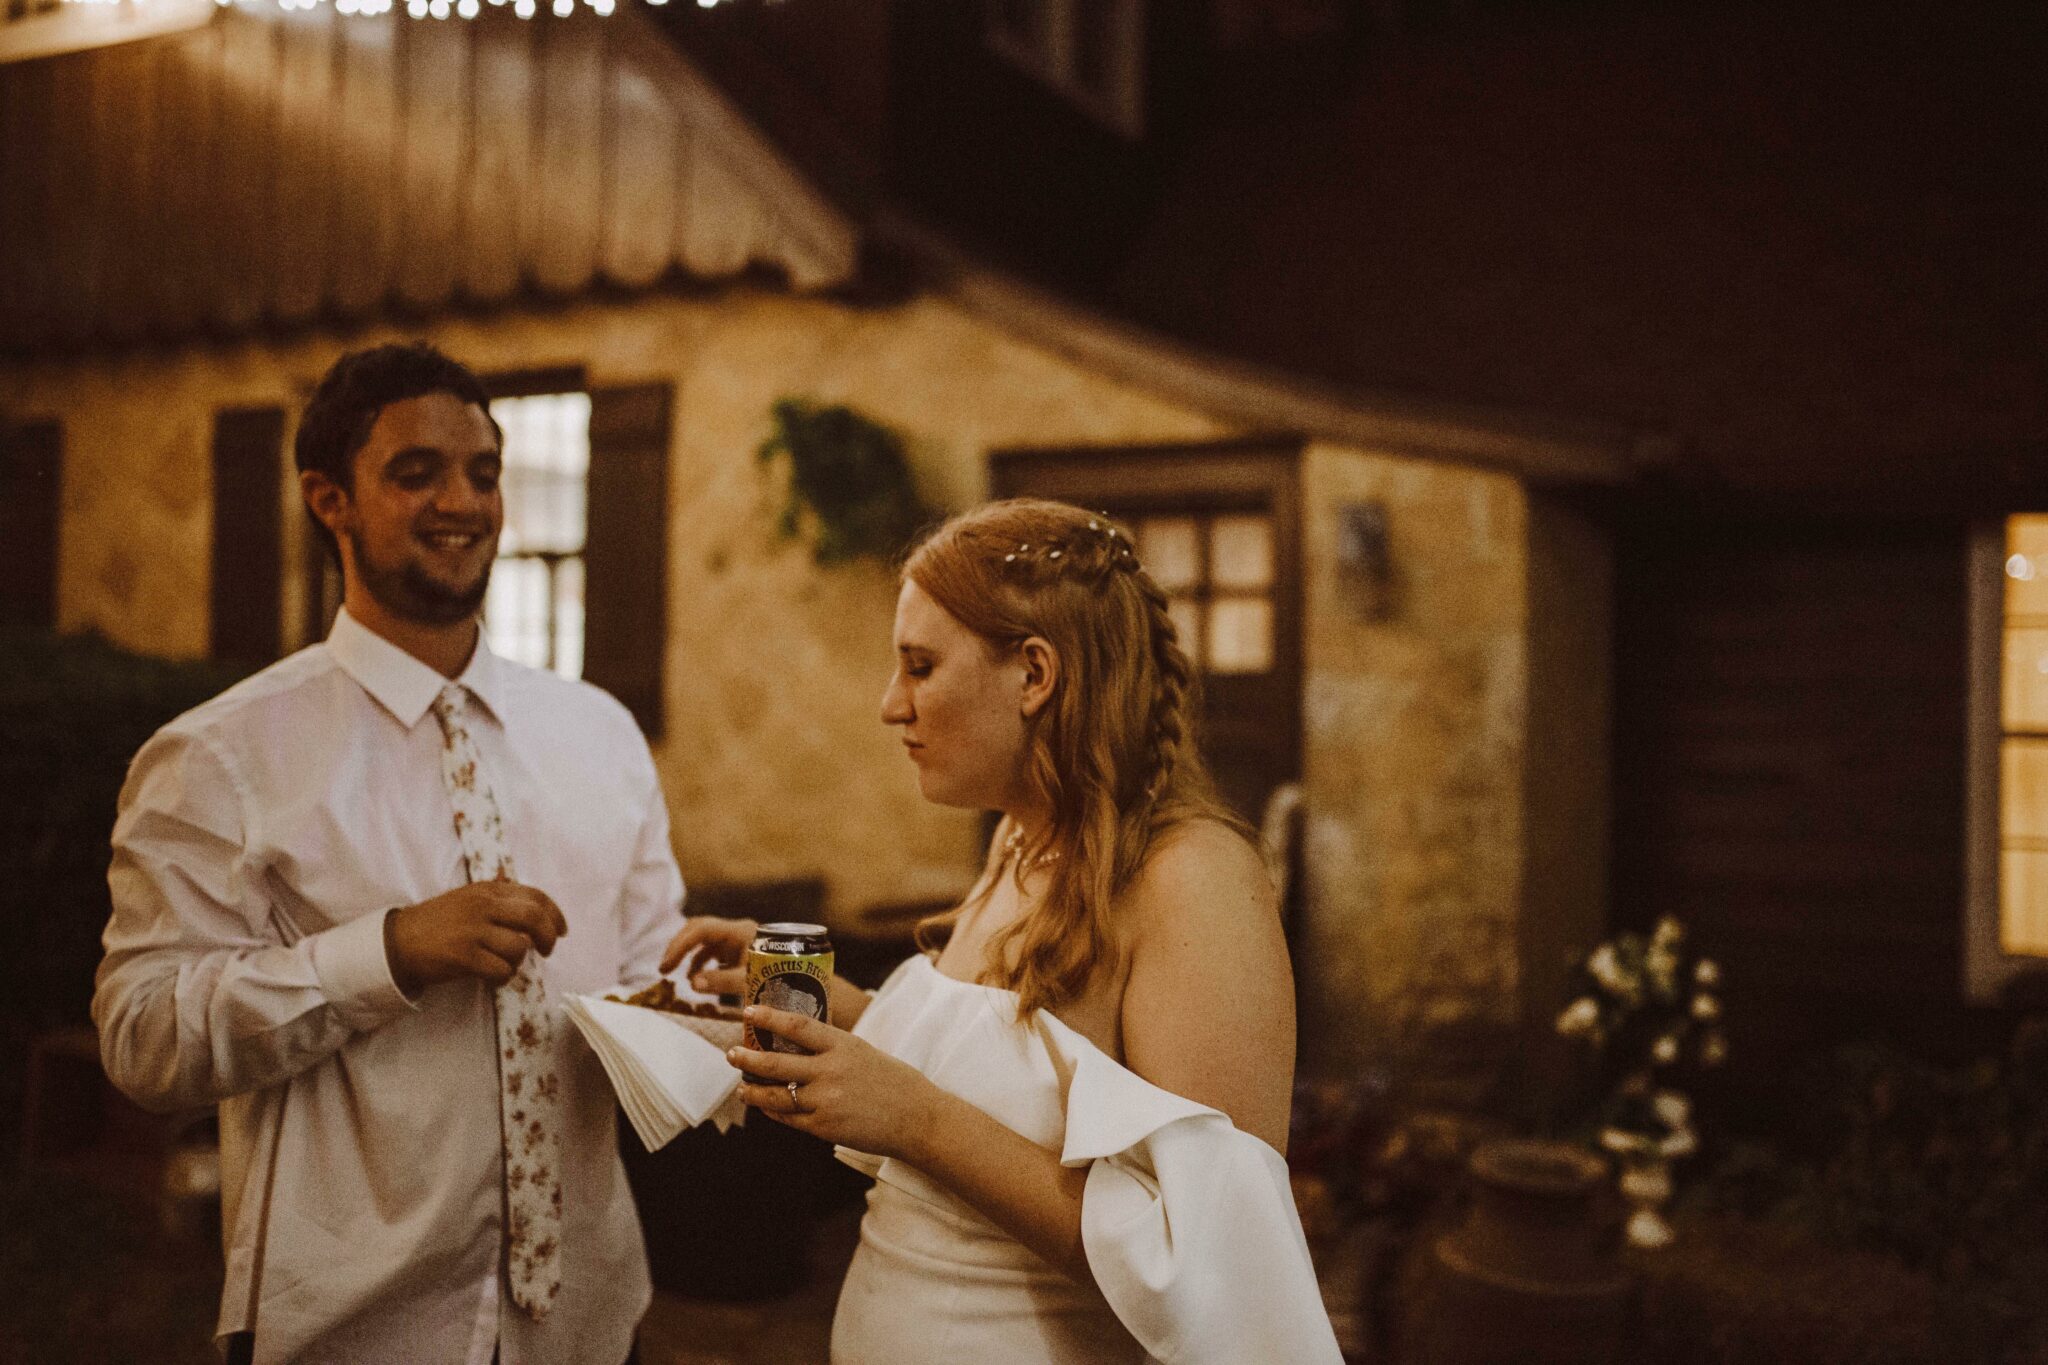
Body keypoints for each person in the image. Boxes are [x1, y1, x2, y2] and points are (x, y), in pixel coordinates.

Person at [94, 343, 683, 1365]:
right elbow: (143, 1040)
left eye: (484, 473)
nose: (464, 501)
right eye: (417, 472)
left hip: (589, 1322)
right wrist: (389, 953)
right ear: (331, 500)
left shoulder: (600, 734)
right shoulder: (220, 757)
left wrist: (696, 992)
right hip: (351, 1329)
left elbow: (640, 981)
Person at [663, 499, 1343, 1364]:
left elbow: (1211, 1264)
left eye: (919, 666)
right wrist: (827, 1004)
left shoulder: (1190, 879)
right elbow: (999, 1067)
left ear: (1033, 674)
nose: (890, 705)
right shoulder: (1022, 838)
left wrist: (915, 1119)